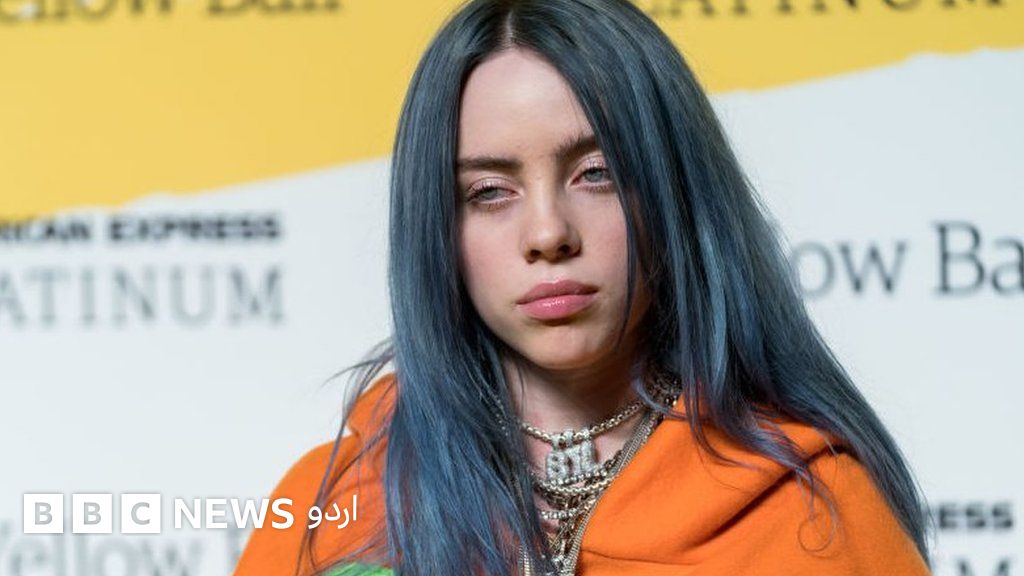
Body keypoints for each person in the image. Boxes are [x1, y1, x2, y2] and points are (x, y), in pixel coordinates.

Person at [234, 0, 934, 574]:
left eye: (597, 174)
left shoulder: (814, 510)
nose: (548, 233)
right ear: (435, 227)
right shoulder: (333, 514)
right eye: (489, 191)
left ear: (674, 194)